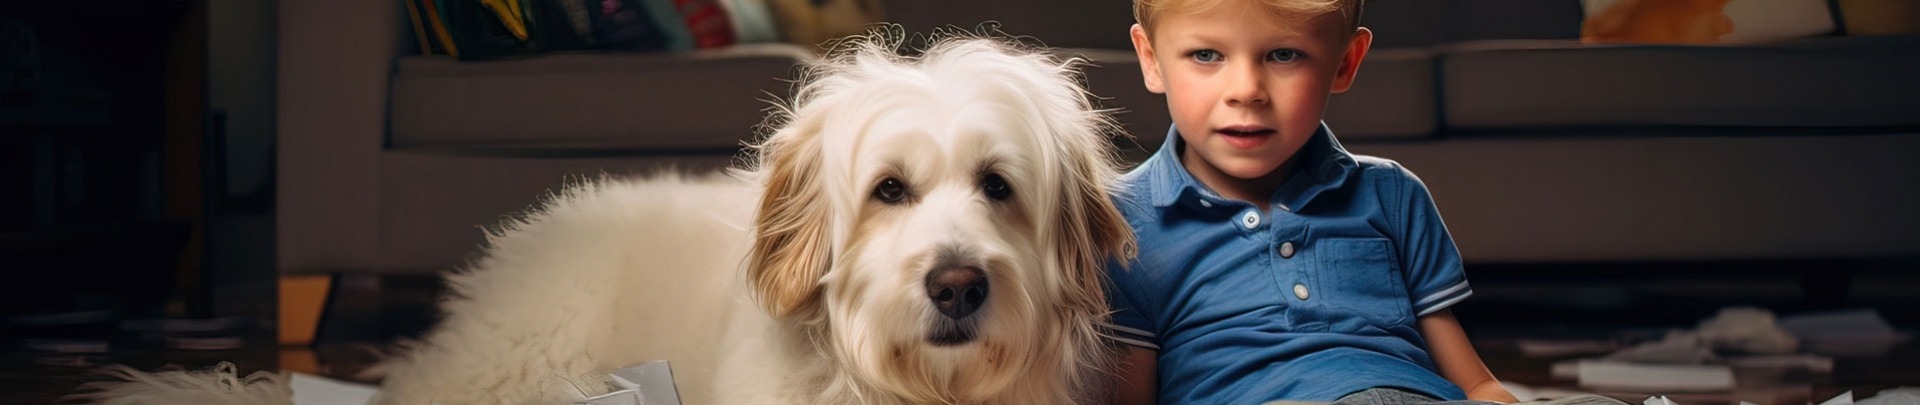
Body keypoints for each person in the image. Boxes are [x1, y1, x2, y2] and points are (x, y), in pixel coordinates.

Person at [1103, 0, 1539, 403]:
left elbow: (1477, 384)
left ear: (1345, 62)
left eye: (1284, 55)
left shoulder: (1392, 193)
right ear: (1151, 59)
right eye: (1206, 55)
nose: (1247, 90)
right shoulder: (1123, 221)